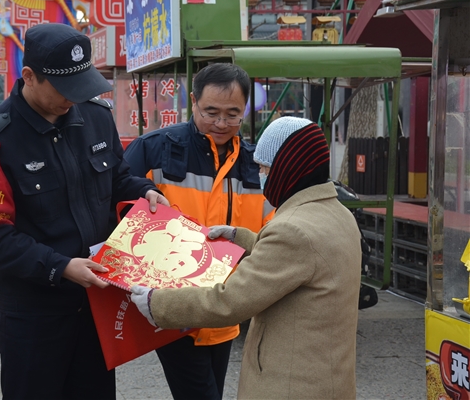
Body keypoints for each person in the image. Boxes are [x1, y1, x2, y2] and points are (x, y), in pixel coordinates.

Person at [0, 22, 169, 399]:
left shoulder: (96, 117)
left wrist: (145, 191)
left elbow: (118, 177)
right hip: (34, 314)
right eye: (64, 88)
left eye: (81, 86)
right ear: (29, 77)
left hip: (96, 304)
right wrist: (60, 267)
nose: (74, 98)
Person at [131, 116, 362, 400]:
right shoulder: (338, 214)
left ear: (289, 169)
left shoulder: (293, 229)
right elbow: (304, 260)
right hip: (328, 375)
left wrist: (158, 303)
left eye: (265, 168)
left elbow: (230, 301)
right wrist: (240, 238)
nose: (261, 176)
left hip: (291, 384)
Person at [123, 62, 274, 400]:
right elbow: (116, 206)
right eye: (211, 112)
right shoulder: (154, 149)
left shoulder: (255, 165)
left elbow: (272, 230)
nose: (221, 123)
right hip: (174, 307)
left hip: (225, 307)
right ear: (193, 102)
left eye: (232, 115)